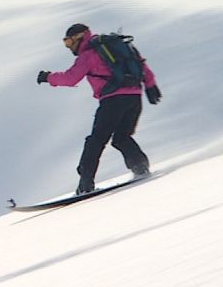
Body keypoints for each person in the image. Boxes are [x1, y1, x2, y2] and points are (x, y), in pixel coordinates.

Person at [37, 23, 162, 195]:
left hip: (112, 101)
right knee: (121, 137)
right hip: (134, 98)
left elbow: (71, 78)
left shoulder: (88, 54)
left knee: (96, 141)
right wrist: (150, 85)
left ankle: (85, 185)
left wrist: (48, 77)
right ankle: (141, 168)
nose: (69, 47)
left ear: (79, 37)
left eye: (69, 42)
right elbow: (141, 64)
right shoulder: (118, 45)